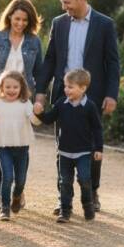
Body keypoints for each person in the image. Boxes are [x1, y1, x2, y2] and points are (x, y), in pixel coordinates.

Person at [35, 0, 119, 214]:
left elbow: (113, 63)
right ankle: (64, 198)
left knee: (91, 146)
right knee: (63, 145)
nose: (64, 7)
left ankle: (92, 192)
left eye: (68, 2)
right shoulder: (59, 23)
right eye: (62, 2)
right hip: (62, 94)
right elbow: (50, 59)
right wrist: (40, 92)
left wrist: (111, 94)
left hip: (92, 95)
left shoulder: (104, 24)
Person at [0, 0, 43, 212]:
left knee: (21, 144)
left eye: (25, 20)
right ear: (10, 16)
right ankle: (0, 194)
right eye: (17, 18)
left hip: (23, 99)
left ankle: (18, 190)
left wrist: (39, 100)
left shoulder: (34, 41)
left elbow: (39, 72)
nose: (20, 23)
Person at [33, 69, 103, 223]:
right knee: (64, 182)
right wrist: (40, 113)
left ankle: (88, 205)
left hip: (84, 152)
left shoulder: (90, 106)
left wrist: (98, 149)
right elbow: (49, 119)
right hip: (64, 152)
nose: (66, 90)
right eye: (65, 86)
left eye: (70, 87)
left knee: (84, 179)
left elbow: (97, 129)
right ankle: (65, 211)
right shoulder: (61, 104)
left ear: (83, 88)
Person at [0, 70, 36, 221]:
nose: (11, 90)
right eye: (8, 87)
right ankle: (5, 208)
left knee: (20, 180)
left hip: (22, 148)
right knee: (7, 177)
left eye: (15, 87)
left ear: (21, 88)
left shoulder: (25, 103)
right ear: (1, 88)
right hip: (3, 147)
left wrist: (37, 113)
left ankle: (17, 196)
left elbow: (35, 121)